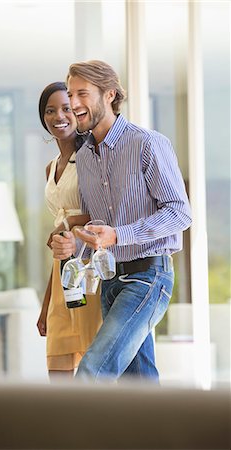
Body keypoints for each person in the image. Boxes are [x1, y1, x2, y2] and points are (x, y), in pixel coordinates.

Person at [51, 61, 192, 383]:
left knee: (92, 371)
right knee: (138, 385)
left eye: (82, 93)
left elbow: (180, 212)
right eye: (71, 93)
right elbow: (94, 227)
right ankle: (156, 435)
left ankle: (59, 433)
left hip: (149, 277)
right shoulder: (84, 157)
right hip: (111, 281)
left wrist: (118, 235)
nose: (73, 104)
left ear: (109, 94)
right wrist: (76, 242)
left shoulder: (146, 143)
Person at [36, 81, 102, 380]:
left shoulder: (93, 157)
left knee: (92, 365)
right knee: (57, 371)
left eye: (65, 108)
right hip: (62, 272)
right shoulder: (51, 168)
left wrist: (68, 225)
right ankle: (62, 428)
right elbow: (56, 239)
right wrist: (46, 302)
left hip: (88, 268)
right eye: (50, 110)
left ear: (77, 113)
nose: (58, 116)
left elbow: (102, 214)